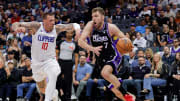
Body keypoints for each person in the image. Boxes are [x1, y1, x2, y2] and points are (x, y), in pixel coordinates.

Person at [12, 12, 80, 101]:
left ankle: (47, 99)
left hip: (49, 60)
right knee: (42, 89)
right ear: (44, 21)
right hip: (36, 63)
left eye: (54, 20)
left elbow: (72, 25)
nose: (53, 22)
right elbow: (15, 24)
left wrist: (78, 29)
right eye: (50, 20)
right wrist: (16, 28)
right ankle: (54, 94)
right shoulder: (36, 26)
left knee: (54, 72)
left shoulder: (57, 28)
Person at [78, 7, 134, 101]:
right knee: (114, 89)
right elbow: (80, 41)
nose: (94, 19)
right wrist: (92, 49)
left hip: (114, 56)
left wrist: (130, 49)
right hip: (101, 61)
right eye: (92, 16)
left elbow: (125, 39)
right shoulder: (90, 26)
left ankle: (124, 92)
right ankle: (128, 98)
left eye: (96, 16)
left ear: (102, 17)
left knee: (105, 73)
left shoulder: (111, 27)